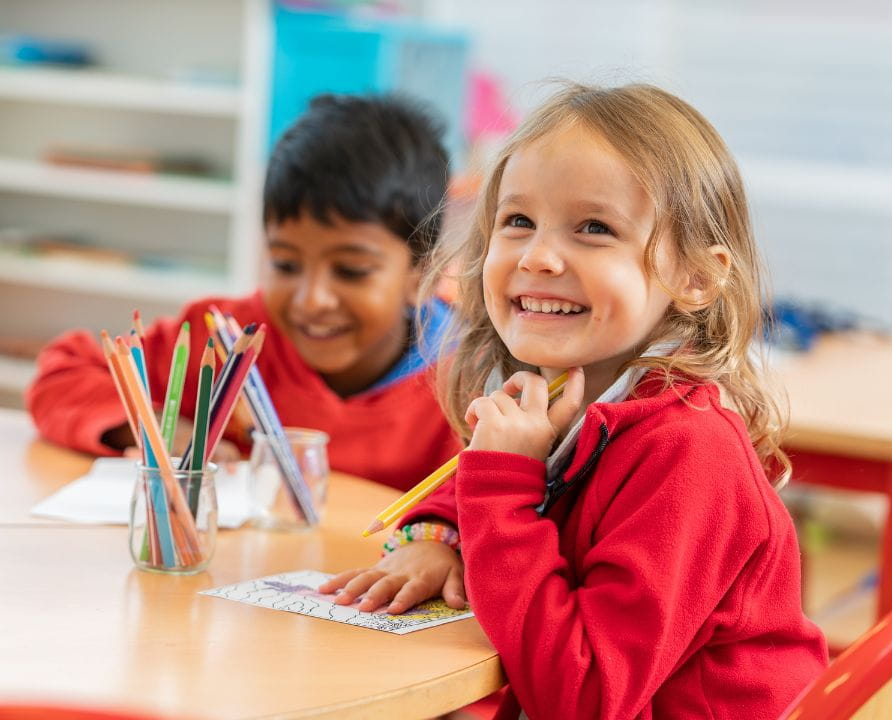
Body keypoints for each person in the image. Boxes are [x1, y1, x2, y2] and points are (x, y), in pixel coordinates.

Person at [320, 83, 828, 718]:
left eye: (594, 228)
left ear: (696, 277)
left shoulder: (690, 451)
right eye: (518, 221)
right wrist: (442, 536)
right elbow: (462, 497)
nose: (538, 256)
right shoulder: (561, 390)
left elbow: (584, 698)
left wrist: (503, 484)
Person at [26, 94, 460, 491]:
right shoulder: (223, 336)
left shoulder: (471, 381)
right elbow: (61, 376)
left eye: (351, 271)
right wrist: (155, 426)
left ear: (422, 276)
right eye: (286, 264)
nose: (311, 299)